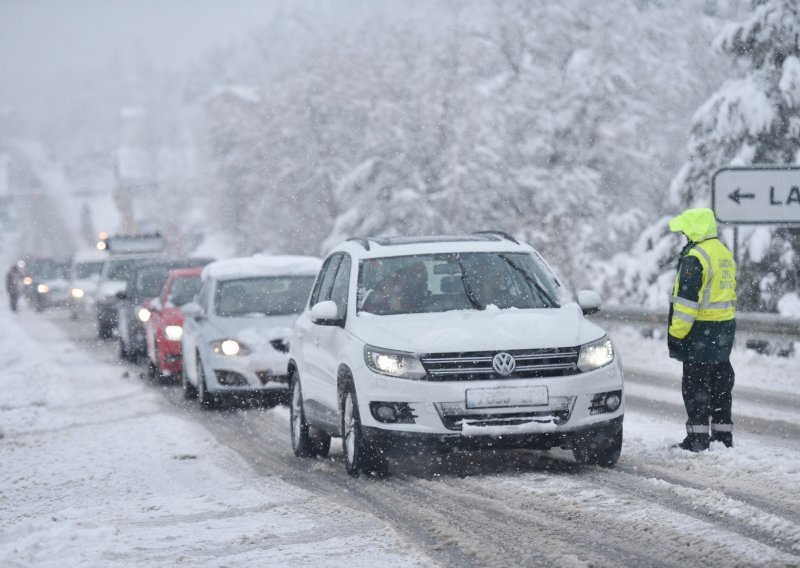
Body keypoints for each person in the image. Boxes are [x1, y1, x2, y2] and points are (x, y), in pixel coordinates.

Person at [667, 208, 737, 452]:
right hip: (724, 332)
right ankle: (723, 437)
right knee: (721, 386)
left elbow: (687, 305)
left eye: (687, 230)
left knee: (696, 388)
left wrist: (676, 334)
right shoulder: (723, 253)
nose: (685, 234)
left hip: (700, 334)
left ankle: (697, 440)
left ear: (695, 228)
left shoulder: (696, 257)